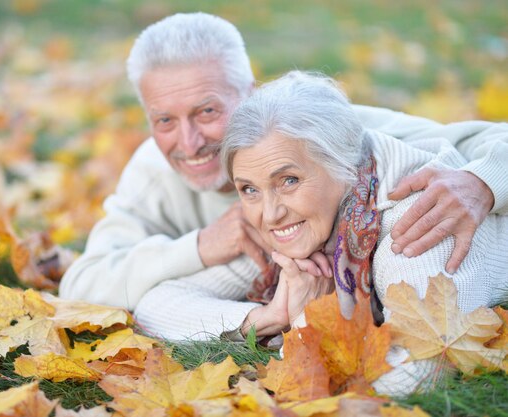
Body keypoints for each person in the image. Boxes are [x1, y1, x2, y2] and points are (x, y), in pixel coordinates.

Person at [59, 13, 508, 341]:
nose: (190, 141)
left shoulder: (332, 134)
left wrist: (483, 182)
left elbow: (492, 139)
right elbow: (83, 284)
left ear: (252, 95)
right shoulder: (154, 171)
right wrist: (201, 247)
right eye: (165, 121)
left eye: (208, 111)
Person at [220, 70, 508, 394]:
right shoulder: (313, 227)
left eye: (289, 181)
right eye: (249, 189)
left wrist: (304, 317)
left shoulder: (413, 230)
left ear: (342, 165)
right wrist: (265, 316)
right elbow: (159, 302)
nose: (270, 214)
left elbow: (420, 376)